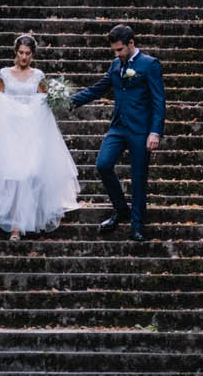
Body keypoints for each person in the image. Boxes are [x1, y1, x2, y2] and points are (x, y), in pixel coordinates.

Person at [0, 33, 82, 239]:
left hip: (31, 130)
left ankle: (29, 218)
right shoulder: (4, 73)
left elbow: (43, 99)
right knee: (12, 174)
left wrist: (55, 96)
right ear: (15, 52)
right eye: (21, 53)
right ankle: (14, 226)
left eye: (28, 54)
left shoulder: (38, 75)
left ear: (33, 55)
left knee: (30, 173)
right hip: (9, 130)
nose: (24, 57)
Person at [70, 24, 165, 243]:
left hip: (141, 130)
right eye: (114, 50)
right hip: (118, 128)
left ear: (131, 43)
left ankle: (137, 224)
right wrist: (67, 101)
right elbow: (97, 89)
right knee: (103, 165)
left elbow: (159, 101)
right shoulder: (115, 65)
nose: (116, 54)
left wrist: (155, 132)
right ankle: (121, 209)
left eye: (120, 50)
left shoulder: (150, 65)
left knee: (139, 177)